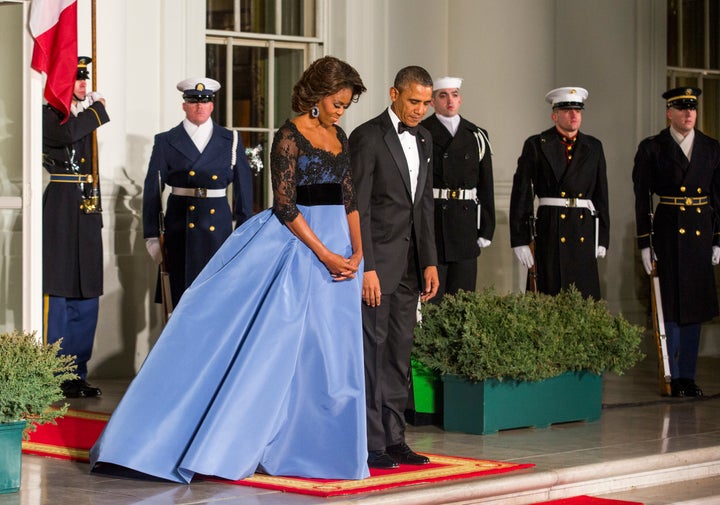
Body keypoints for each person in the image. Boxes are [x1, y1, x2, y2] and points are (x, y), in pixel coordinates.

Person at [90, 56, 369, 483]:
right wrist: (326, 255)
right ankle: (266, 441)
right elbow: (285, 206)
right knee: (286, 351)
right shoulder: (289, 136)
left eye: (346, 105)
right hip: (302, 249)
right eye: (337, 102)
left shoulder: (340, 136)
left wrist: (357, 251)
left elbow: (349, 199)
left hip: (343, 255)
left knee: (336, 354)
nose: (340, 110)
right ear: (317, 95)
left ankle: (331, 449)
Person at [349, 65, 439, 470]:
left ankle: (395, 438)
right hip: (376, 267)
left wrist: (430, 262)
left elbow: (424, 207)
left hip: (410, 268)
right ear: (394, 94)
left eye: (426, 102)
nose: (420, 109)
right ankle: (372, 444)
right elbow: (358, 208)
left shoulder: (425, 138)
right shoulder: (367, 137)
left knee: (399, 355)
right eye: (414, 101)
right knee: (373, 353)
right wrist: (364, 265)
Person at [632, 86, 720, 398]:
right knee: (669, 307)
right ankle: (671, 375)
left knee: (693, 307)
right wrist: (645, 242)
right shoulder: (652, 148)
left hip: (699, 233)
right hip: (667, 234)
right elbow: (642, 198)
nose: (688, 114)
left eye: (692, 108)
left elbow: (718, 198)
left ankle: (688, 377)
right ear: (669, 112)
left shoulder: (711, 148)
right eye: (681, 108)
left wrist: (717, 239)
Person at [142, 77, 254, 309]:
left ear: (212, 105)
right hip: (180, 229)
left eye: (205, 101)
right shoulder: (166, 141)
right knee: (181, 300)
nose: (199, 106)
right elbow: (152, 189)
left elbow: (244, 193)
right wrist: (152, 236)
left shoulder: (230, 139)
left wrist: (243, 237)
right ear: (184, 105)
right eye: (193, 101)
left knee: (217, 301)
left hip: (218, 231)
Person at [42, 56, 109, 398]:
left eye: (84, 79)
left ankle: (77, 371)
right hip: (61, 206)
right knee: (60, 289)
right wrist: (97, 111)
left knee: (87, 290)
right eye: (75, 80)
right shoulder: (48, 116)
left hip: (87, 203)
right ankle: (55, 372)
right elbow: (68, 132)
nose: (83, 85)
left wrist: (90, 113)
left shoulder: (82, 116)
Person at [509, 87, 609, 299]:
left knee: (583, 299)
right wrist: (520, 238)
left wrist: (603, 238)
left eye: (578, 110)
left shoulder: (594, 147)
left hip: (583, 227)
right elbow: (522, 193)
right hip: (550, 228)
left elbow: (601, 195)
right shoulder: (537, 144)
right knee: (549, 294)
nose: (574, 115)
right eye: (568, 110)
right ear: (555, 115)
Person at [420, 76, 495, 298]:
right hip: (434, 223)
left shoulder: (476, 135)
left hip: (465, 227)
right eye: (443, 95)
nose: (449, 101)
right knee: (433, 297)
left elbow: (485, 185)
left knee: (463, 297)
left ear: (460, 99)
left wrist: (486, 228)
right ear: (433, 102)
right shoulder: (422, 133)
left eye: (454, 95)